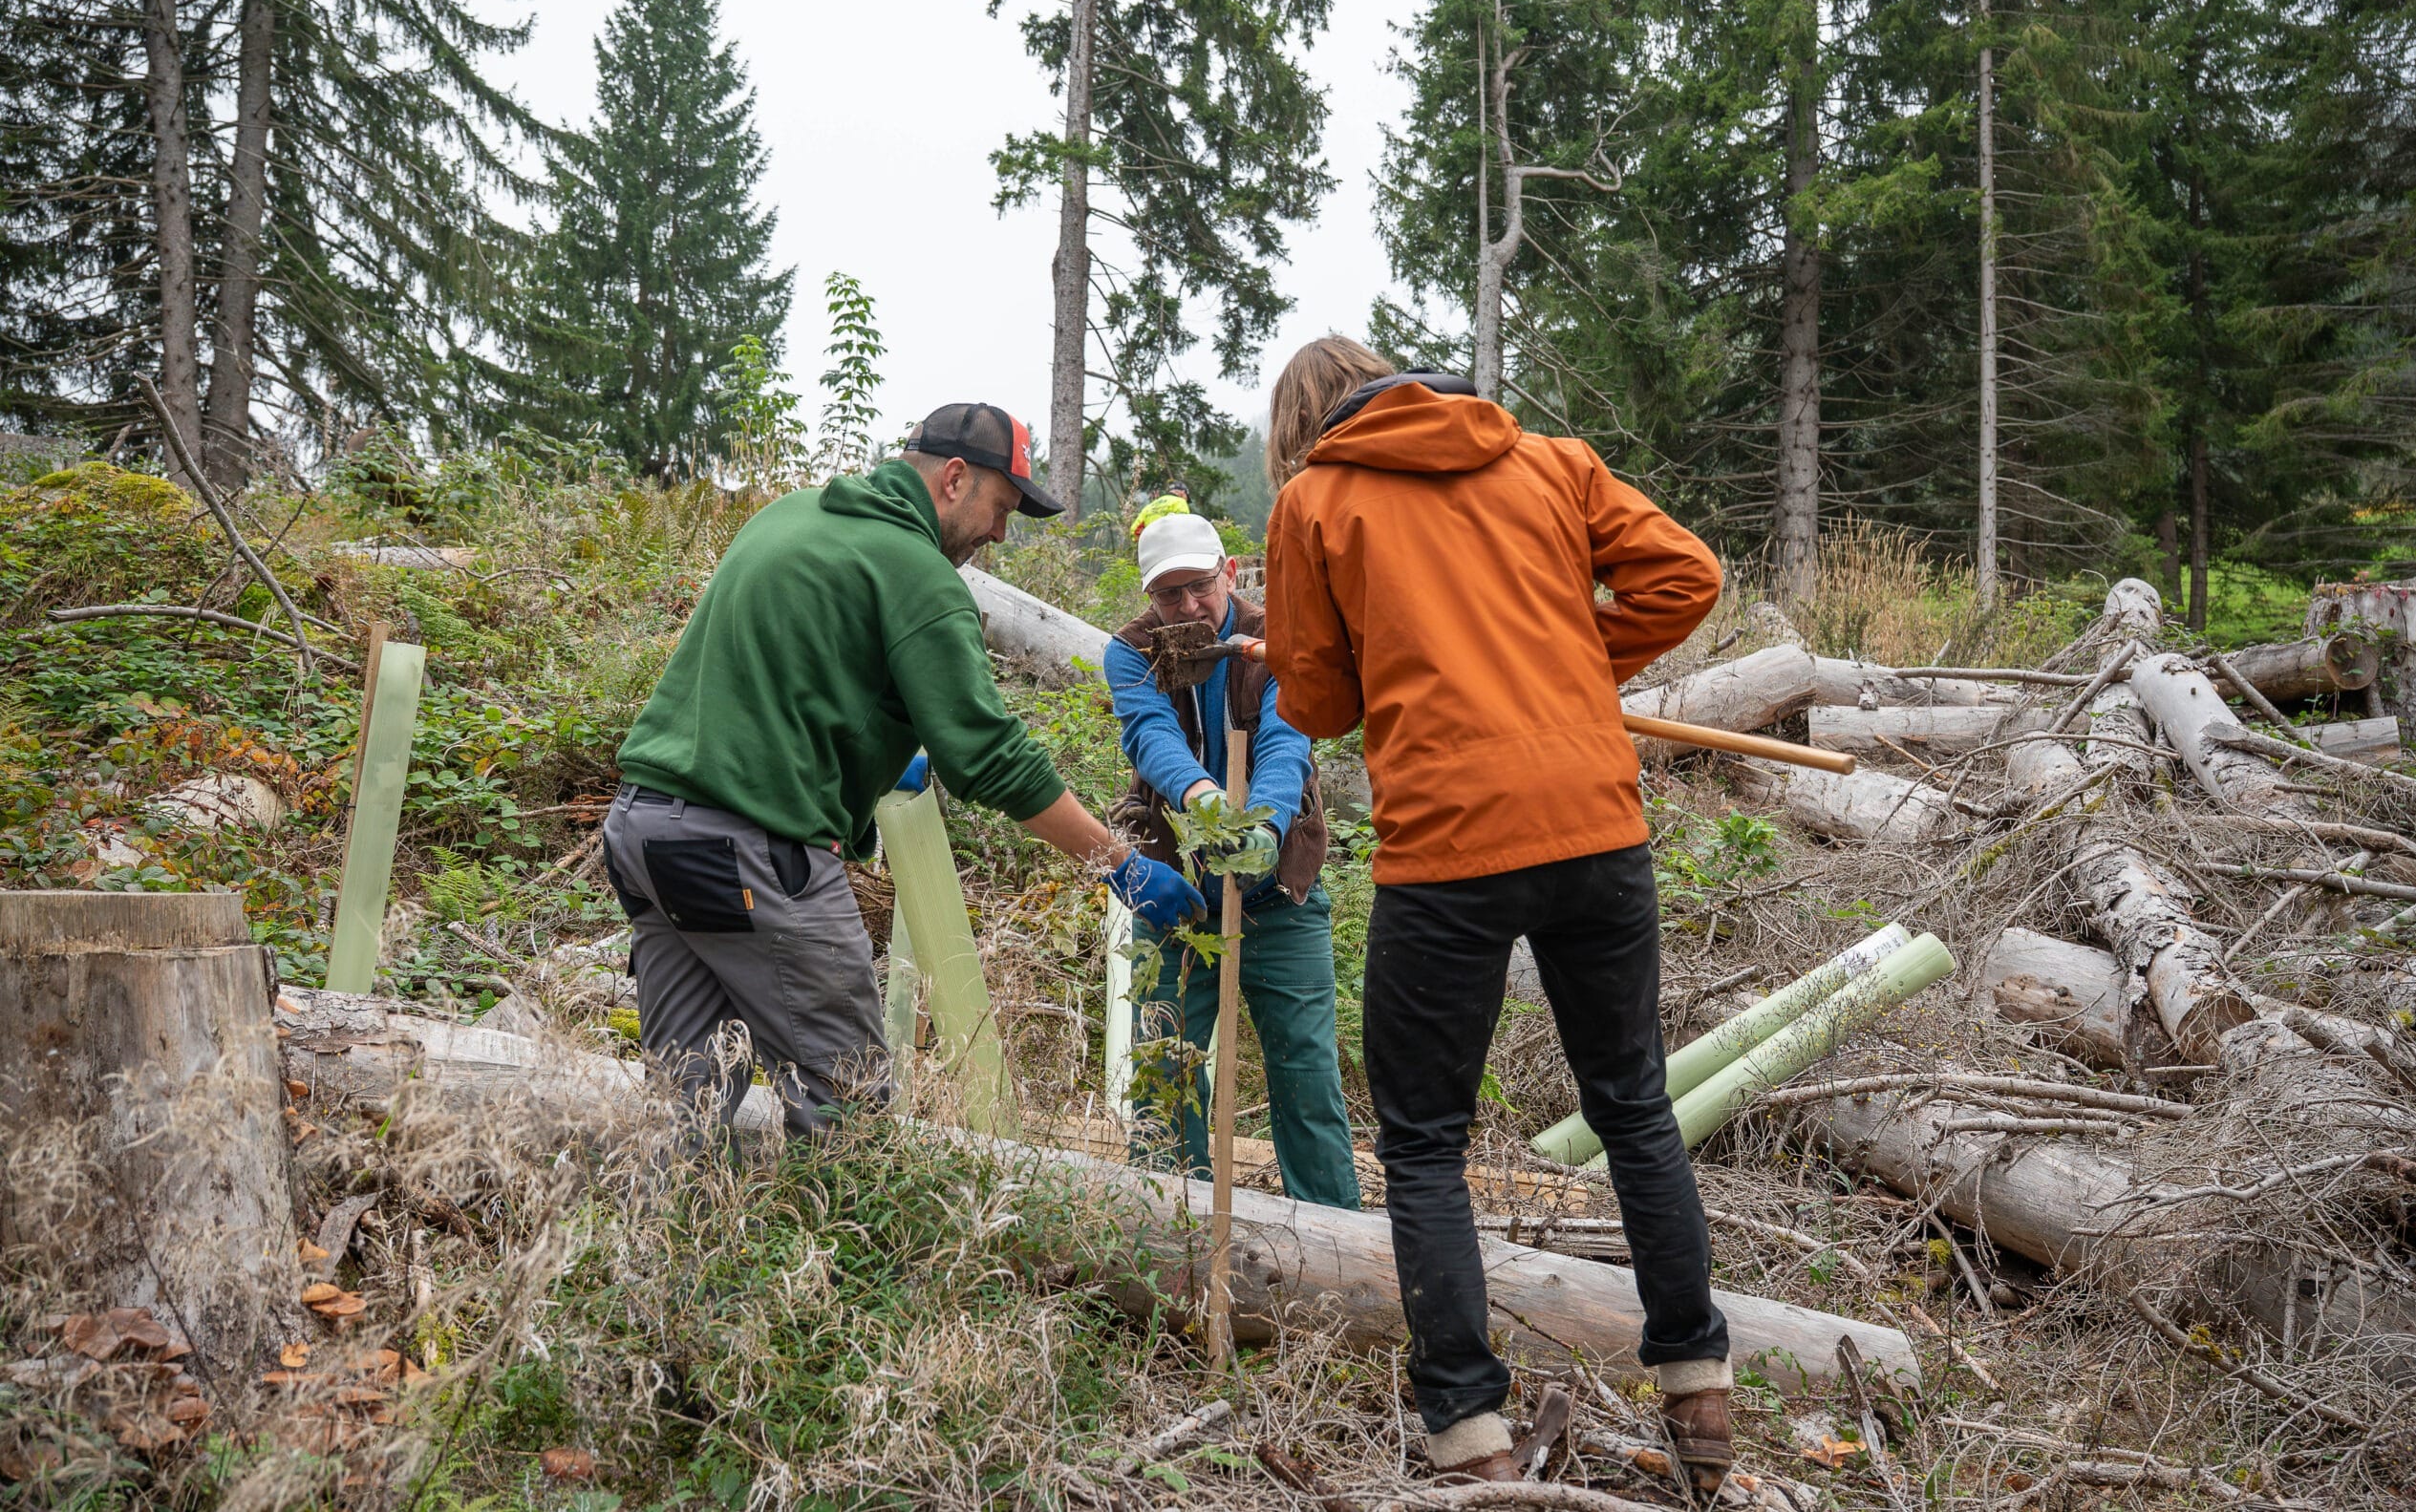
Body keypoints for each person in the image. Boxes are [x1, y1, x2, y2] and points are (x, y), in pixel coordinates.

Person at [1261, 337, 1734, 1486]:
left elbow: (1314, 700)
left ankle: (1470, 1433)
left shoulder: (1315, 501)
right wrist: (1560, 667)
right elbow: (1687, 577)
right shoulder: (1549, 460)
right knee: (1633, 1103)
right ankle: (1699, 1386)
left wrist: (1433, 669)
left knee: (1425, 1143)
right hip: (1593, 823)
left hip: (1448, 845)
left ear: (1302, 427)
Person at [604, 403, 1205, 1138]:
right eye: (1001, 507)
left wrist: (882, 749)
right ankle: (843, 1218)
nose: (1000, 533)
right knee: (851, 1108)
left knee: (681, 1111)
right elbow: (991, 756)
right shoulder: (919, 574)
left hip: (644, 835)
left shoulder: (788, 517)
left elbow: (789, 679)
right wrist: (1120, 864)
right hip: (752, 853)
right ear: (954, 478)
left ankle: (658, 1215)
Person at [1102, 505, 1362, 1209]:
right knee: (1164, 1075)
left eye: (1199, 586)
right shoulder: (1131, 651)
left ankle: (1335, 1242)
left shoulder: (1274, 641)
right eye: (1168, 593)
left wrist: (1265, 825)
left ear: (1230, 572)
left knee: (1307, 1078)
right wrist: (1206, 799)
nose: (1187, 604)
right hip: (1175, 897)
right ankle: (1170, 1232)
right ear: (1149, 596)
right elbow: (1150, 735)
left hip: (1279, 896)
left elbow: (1286, 739)